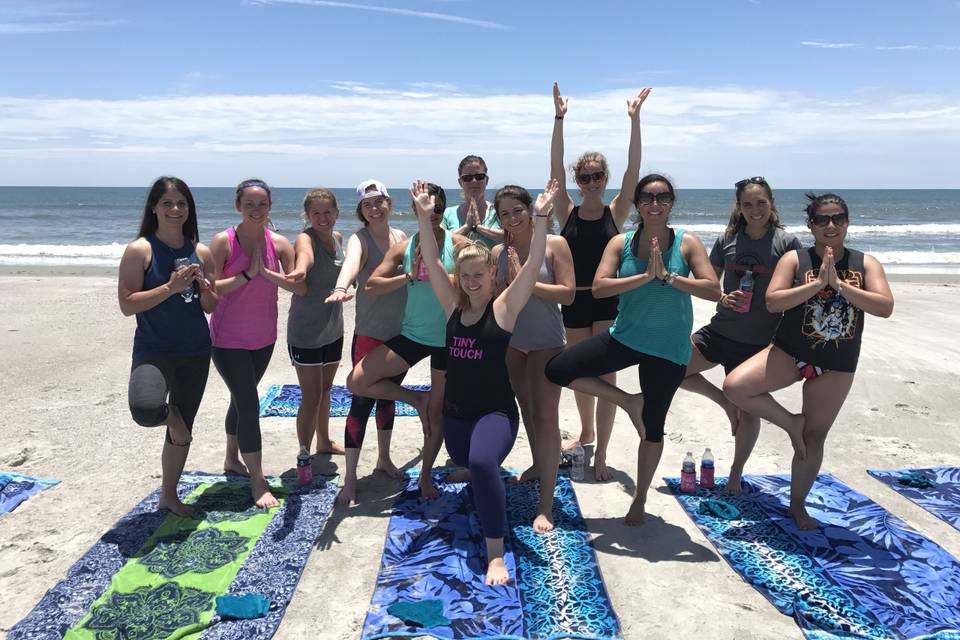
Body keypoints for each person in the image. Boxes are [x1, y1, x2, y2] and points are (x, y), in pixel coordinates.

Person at [545, 174, 721, 525]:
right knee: (557, 369)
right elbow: (599, 288)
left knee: (653, 428)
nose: (654, 204)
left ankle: (639, 499)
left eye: (662, 198)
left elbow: (713, 290)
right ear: (638, 204)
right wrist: (644, 277)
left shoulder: (686, 244)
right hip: (624, 336)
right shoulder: (621, 242)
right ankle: (628, 401)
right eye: (647, 198)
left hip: (668, 348)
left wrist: (669, 278)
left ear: (672, 203)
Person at [413, 177, 558, 585]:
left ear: (493, 275)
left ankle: (496, 553)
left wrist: (542, 217)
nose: (473, 281)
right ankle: (480, 470)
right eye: (467, 275)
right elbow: (432, 260)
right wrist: (425, 220)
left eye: (481, 274)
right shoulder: (452, 308)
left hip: (495, 414)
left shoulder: (504, 309)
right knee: (468, 462)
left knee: (479, 462)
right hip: (458, 420)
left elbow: (531, 269)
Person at [723, 192, 894, 530]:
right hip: (790, 353)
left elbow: (884, 306)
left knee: (814, 439)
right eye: (822, 219)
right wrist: (817, 284)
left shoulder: (865, 263)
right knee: (735, 387)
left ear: (847, 222)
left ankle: (797, 505)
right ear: (811, 225)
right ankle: (791, 423)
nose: (830, 225)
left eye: (838, 218)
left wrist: (839, 286)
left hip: (837, 363)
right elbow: (773, 302)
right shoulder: (795, 259)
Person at [551, 82, 652, 481]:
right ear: (578, 180)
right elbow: (554, 169)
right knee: (579, 373)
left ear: (604, 178)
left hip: (608, 301)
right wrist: (559, 120)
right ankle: (586, 430)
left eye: (597, 176)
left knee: (606, 376)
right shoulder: (567, 212)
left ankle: (602, 453)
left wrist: (635, 121)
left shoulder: (617, 210)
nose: (592, 182)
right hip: (574, 301)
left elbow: (634, 171)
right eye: (586, 177)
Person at [680, 177, 801, 495]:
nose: (755, 209)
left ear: (771, 203)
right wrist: (722, 298)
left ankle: (735, 474)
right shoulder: (728, 239)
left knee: (749, 412)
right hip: (721, 330)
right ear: (739, 207)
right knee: (670, 367)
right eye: (748, 204)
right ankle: (725, 401)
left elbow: (801, 290)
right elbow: (709, 284)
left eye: (761, 202)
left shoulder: (787, 243)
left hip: (760, 342)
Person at [346, 183, 467, 500]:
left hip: (447, 340)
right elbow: (371, 285)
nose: (432, 214)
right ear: (415, 210)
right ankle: (417, 400)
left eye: (437, 209)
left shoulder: (460, 244)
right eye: (424, 208)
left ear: (442, 211)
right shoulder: (403, 248)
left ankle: (425, 476)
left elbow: (478, 283)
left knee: (437, 415)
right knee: (357, 381)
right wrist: (410, 276)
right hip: (413, 334)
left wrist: (441, 274)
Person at [119, 176, 218, 518]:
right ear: (154, 208)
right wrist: (170, 288)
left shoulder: (201, 251)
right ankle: (171, 415)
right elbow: (128, 304)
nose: (175, 210)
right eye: (168, 204)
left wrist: (205, 288)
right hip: (155, 348)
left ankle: (169, 495)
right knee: (146, 410)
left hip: (195, 349)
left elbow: (210, 307)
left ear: (189, 209)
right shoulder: (140, 250)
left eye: (182, 204)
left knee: (184, 428)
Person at [209, 178, 296, 509]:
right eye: (250, 204)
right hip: (227, 339)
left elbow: (297, 286)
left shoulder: (279, 244)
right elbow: (212, 290)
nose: (256, 210)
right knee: (248, 403)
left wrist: (272, 275)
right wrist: (248, 275)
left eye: (262, 204)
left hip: (264, 338)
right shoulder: (224, 242)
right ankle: (258, 482)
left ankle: (232, 458)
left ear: (270, 206)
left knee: (239, 397)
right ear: (238, 207)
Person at [492, 186, 574, 533]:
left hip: (545, 341)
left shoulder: (555, 244)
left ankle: (546, 505)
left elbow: (568, 295)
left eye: (517, 211)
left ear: (530, 210)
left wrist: (524, 280)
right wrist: (507, 284)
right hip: (513, 342)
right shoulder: (499, 250)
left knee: (545, 416)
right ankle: (540, 465)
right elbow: (498, 298)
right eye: (504, 214)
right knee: (525, 407)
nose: (512, 219)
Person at [327, 180, 408, 505]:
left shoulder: (401, 237)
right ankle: (349, 480)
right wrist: (341, 286)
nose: (375, 208)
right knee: (361, 401)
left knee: (387, 400)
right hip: (370, 334)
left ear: (389, 202)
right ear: (361, 211)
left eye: (379, 201)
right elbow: (351, 264)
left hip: (401, 334)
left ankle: (384, 459)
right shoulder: (360, 239)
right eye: (367, 204)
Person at [286, 188, 347, 470]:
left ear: (336, 212)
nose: (323, 218)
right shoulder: (304, 238)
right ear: (308, 216)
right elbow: (305, 257)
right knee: (310, 395)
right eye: (316, 213)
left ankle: (324, 440)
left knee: (325, 389)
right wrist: (299, 270)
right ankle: (304, 453)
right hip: (306, 332)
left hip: (333, 327)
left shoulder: (337, 238)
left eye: (328, 212)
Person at [440, 155, 504, 248]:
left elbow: (513, 238)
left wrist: (480, 228)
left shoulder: (499, 211)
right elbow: (439, 241)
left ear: (487, 180)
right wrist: (466, 227)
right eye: (467, 178)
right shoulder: (447, 213)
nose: (474, 181)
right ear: (460, 182)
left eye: (479, 176)